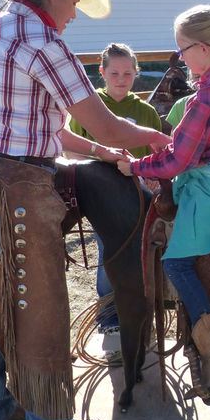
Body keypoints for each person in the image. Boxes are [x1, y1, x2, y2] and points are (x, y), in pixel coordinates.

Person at [0, 0, 170, 420]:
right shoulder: (44, 43)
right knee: (41, 305)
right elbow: (108, 124)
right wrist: (157, 138)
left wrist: (96, 148)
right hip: (13, 188)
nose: (74, 14)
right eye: (73, 1)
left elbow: (52, 130)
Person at [118, 4, 210, 393]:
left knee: (176, 263)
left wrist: (137, 167)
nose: (179, 58)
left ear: (207, 47)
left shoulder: (204, 99)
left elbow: (178, 160)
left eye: (183, 50)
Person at [70, 43, 162, 334]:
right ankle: (109, 316)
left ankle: (142, 311)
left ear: (136, 73)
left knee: (143, 251)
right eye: (114, 73)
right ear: (102, 73)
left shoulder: (145, 111)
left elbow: (156, 155)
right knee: (110, 250)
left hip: (139, 192)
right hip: (101, 193)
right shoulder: (89, 107)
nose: (121, 79)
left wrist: (152, 175)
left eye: (127, 73)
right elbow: (73, 153)